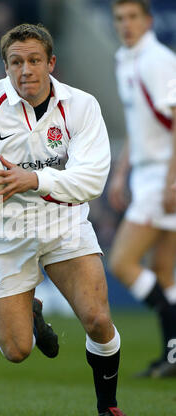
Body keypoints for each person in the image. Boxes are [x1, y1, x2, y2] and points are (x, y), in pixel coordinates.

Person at [0, 23, 131, 416]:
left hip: (62, 223)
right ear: (5, 66)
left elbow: (92, 180)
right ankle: (31, 312)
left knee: (97, 319)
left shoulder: (82, 106)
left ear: (51, 63)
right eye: (16, 62)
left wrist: (34, 179)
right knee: (17, 351)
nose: (26, 71)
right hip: (1, 232)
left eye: (34, 61)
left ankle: (108, 409)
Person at [108, 0, 176, 377]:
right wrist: (121, 172)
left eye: (133, 16)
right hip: (148, 172)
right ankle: (172, 356)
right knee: (164, 272)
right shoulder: (126, 59)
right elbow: (142, 124)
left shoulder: (157, 60)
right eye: (120, 18)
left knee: (121, 262)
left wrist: (171, 180)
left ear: (148, 20)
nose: (126, 24)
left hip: (164, 175)